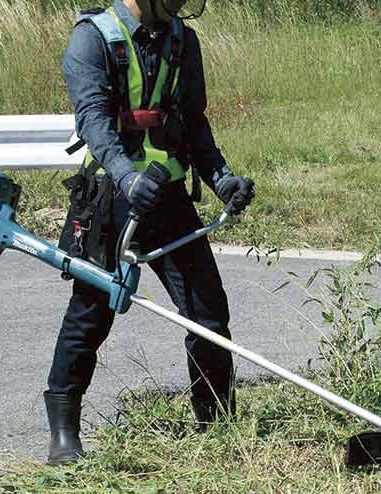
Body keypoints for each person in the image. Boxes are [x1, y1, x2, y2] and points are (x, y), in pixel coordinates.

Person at [44, 0, 255, 465]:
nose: (182, 3)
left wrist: (222, 179)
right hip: (110, 200)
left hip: (170, 200)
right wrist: (126, 176)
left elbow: (194, 123)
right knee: (90, 315)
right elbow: (94, 123)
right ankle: (64, 435)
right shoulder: (92, 38)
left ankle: (216, 428)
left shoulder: (183, 40)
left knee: (209, 314)